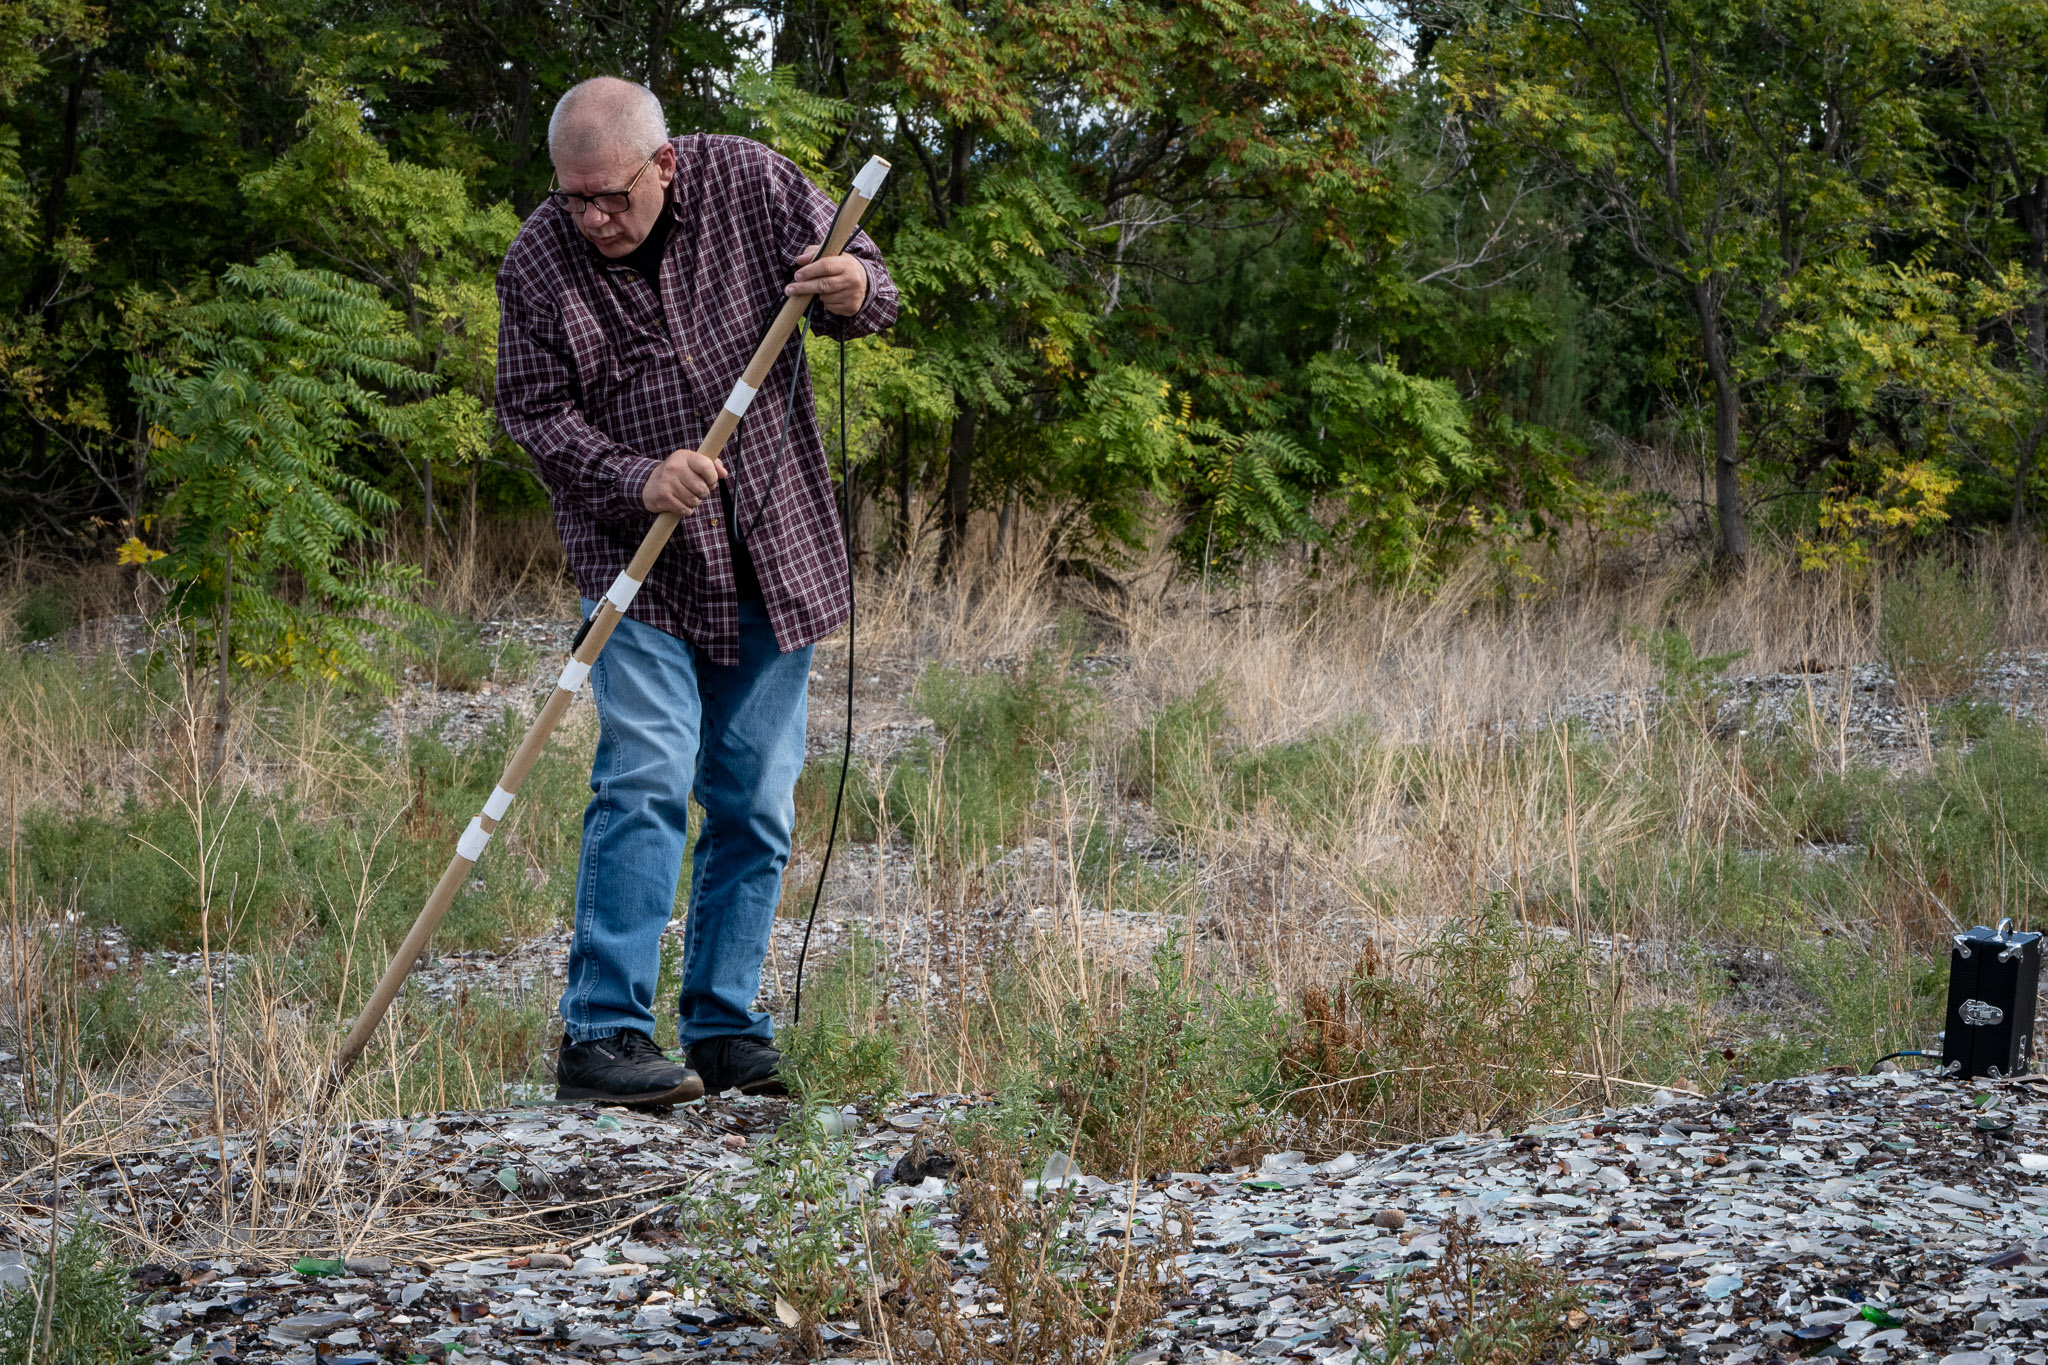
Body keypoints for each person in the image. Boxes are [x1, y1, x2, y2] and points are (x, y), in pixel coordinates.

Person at [495, 76, 897, 1106]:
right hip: (639, 567)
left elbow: (871, 287)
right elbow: (533, 415)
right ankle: (603, 1037)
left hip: (774, 549)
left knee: (754, 799)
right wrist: (637, 477)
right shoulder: (538, 262)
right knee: (645, 776)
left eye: (610, 197)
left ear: (663, 165)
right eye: (573, 198)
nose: (592, 219)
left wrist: (852, 286)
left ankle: (723, 1030)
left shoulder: (752, 183)